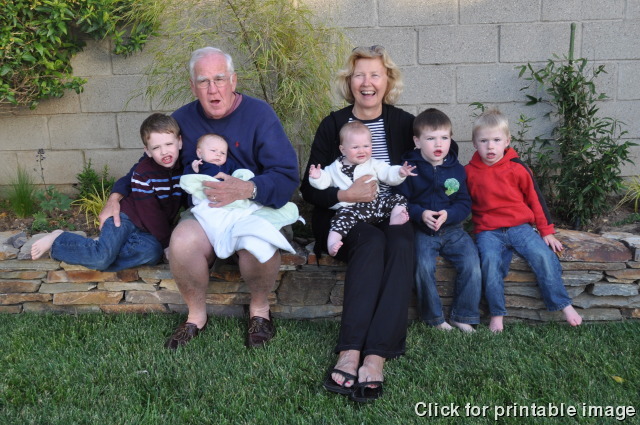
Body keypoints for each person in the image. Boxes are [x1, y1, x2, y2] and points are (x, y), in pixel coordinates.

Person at [100, 47, 299, 348]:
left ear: (233, 81)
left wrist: (247, 189)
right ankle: (196, 316)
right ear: (193, 87)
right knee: (182, 242)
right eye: (203, 81)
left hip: (253, 206)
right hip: (206, 209)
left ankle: (259, 310)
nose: (212, 89)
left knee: (259, 245)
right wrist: (115, 196)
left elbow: (286, 174)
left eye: (219, 79)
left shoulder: (260, 115)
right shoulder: (183, 120)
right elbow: (148, 164)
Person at [300, 45, 418, 403]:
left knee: (401, 243)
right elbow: (310, 187)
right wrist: (345, 194)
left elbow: (440, 149)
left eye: (375, 74)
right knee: (371, 242)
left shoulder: (404, 123)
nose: (367, 82)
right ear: (349, 82)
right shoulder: (333, 125)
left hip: (387, 210)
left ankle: (376, 354)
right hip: (341, 215)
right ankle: (350, 351)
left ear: (388, 81)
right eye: (359, 75)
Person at [465, 108, 583, 333]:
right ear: (474, 143)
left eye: (496, 140)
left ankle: (564, 304)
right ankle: (497, 314)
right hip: (488, 231)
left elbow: (535, 199)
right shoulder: (469, 172)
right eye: (484, 141)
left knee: (543, 256)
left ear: (507, 141)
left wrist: (546, 231)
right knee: (489, 263)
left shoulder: (517, 168)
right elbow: (462, 203)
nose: (490, 146)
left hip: (520, 227)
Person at [31, 113, 184, 271]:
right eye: (156, 147)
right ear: (148, 151)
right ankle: (59, 240)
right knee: (101, 258)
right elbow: (151, 213)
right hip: (124, 219)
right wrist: (167, 244)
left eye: (168, 144)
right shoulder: (143, 173)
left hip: (146, 232)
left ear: (179, 142)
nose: (164, 151)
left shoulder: (184, 170)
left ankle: (99, 248)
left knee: (152, 253)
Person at [396, 108, 481, 332]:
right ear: (417, 141)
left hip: (453, 230)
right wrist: (420, 214)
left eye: (444, 137)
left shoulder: (457, 169)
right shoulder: (409, 170)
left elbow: (464, 202)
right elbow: (401, 200)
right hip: (422, 230)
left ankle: (463, 315)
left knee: (472, 264)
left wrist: (449, 214)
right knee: (422, 266)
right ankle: (434, 318)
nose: (438, 144)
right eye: (430, 138)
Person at [180, 133, 298, 263]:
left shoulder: (228, 165)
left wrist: (240, 178)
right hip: (207, 199)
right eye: (213, 151)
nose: (218, 155)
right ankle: (223, 238)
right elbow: (188, 181)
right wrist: (193, 170)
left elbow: (238, 176)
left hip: (229, 198)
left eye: (223, 153)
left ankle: (243, 234)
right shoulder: (198, 165)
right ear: (199, 153)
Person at [308, 121, 416, 256]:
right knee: (339, 221)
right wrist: (317, 176)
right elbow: (324, 181)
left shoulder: (374, 164)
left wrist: (399, 172)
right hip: (351, 210)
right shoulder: (334, 168)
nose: (361, 151)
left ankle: (395, 218)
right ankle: (332, 244)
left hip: (375, 206)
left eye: (366, 146)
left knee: (399, 199)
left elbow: (387, 173)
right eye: (355, 147)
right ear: (343, 149)